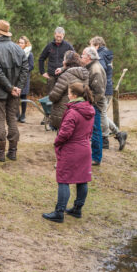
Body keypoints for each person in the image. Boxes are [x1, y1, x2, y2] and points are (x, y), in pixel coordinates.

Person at [42, 82, 95, 223]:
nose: (67, 94)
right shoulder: (89, 108)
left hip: (72, 149)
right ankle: (77, 209)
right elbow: (90, 131)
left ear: (74, 95)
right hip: (85, 148)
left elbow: (65, 133)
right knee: (82, 179)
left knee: (63, 179)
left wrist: (57, 142)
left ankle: (59, 212)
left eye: (69, 92)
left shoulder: (73, 112)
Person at [0, 20, 29, 162]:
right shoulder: (18, 49)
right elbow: (25, 69)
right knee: (12, 119)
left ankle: (0, 153)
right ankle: (12, 152)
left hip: (0, 91)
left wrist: (13, 88)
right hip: (14, 91)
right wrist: (17, 87)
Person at [89, 36, 127, 151]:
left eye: (91, 45)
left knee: (101, 114)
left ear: (97, 45)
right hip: (107, 87)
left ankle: (105, 139)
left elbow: (100, 69)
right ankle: (119, 134)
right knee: (102, 113)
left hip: (103, 88)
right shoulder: (107, 53)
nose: (90, 48)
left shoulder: (100, 56)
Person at [48, 51, 89, 130]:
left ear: (66, 61)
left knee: (63, 137)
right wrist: (63, 68)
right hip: (80, 110)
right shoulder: (84, 74)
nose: (63, 61)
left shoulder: (66, 76)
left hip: (65, 111)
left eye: (64, 59)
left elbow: (54, 96)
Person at [81, 47, 106, 166]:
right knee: (91, 131)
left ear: (89, 57)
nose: (81, 57)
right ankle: (91, 155)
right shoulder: (90, 67)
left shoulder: (95, 69)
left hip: (95, 105)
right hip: (91, 103)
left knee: (96, 130)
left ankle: (96, 158)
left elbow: (99, 92)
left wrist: (90, 104)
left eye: (83, 55)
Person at [39, 27, 74, 95]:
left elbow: (74, 59)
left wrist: (65, 69)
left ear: (63, 35)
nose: (58, 38)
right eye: (57, 36)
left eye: (60, 37)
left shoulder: (68, 46)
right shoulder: (49, 46)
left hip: (64, 76)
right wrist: (42, 72)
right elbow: (41, 58)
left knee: (62, 96)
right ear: (54, 35)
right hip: (51, 76)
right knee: (50, 95)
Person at [17, 36, 34, 123]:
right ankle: (17, 113)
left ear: (26, 44)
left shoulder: (29, 54)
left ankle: (23, 114)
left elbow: (31, 66)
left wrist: (23, 70)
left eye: (22, 43)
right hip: (16, 77)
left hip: (25, 77)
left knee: (23, 96)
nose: (20, 44)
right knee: (16, 96)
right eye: (19, 42)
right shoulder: (15, 52)